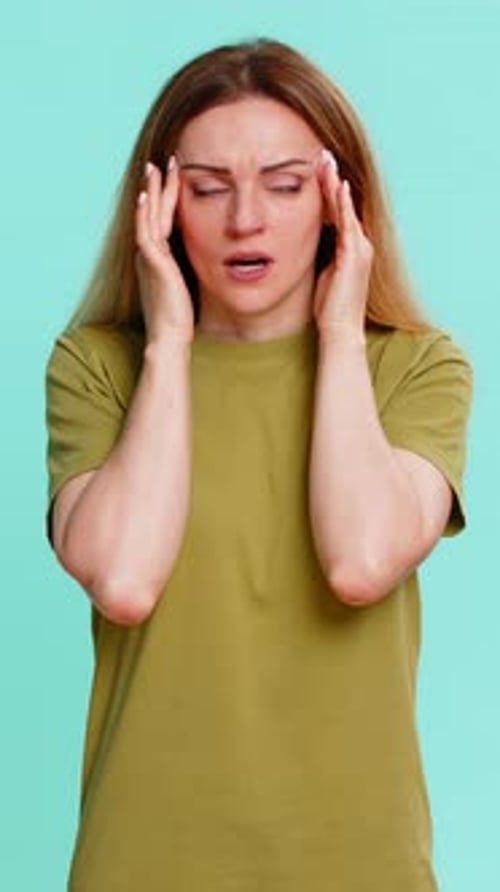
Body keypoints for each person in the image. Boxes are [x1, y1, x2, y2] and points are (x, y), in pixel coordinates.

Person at [45, 37, 473, 892]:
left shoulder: (417, 368)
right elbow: (124, 579)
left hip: (362, 866)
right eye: (208, 189)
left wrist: (342, 333)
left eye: (284, 186)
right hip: (143, 864)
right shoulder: (95, 366)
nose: (246, 220)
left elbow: (360, 562)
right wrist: (168, 343)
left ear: (336, 203)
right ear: (159, 205)